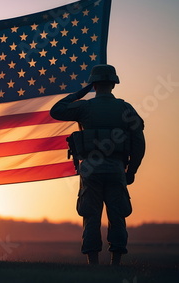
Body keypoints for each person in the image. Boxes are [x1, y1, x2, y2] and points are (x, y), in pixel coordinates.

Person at [50, 64, 145, 265]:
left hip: (90, 169)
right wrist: (132, 170)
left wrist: (78, 94)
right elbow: (138, 141)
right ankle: (116, 262)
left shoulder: (84, 107)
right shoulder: (125, 108)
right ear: (113, 84)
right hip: (116, 168)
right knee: (117, 214)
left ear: (94, 85)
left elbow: (56, 111)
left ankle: (92, 263)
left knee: (91, 215)